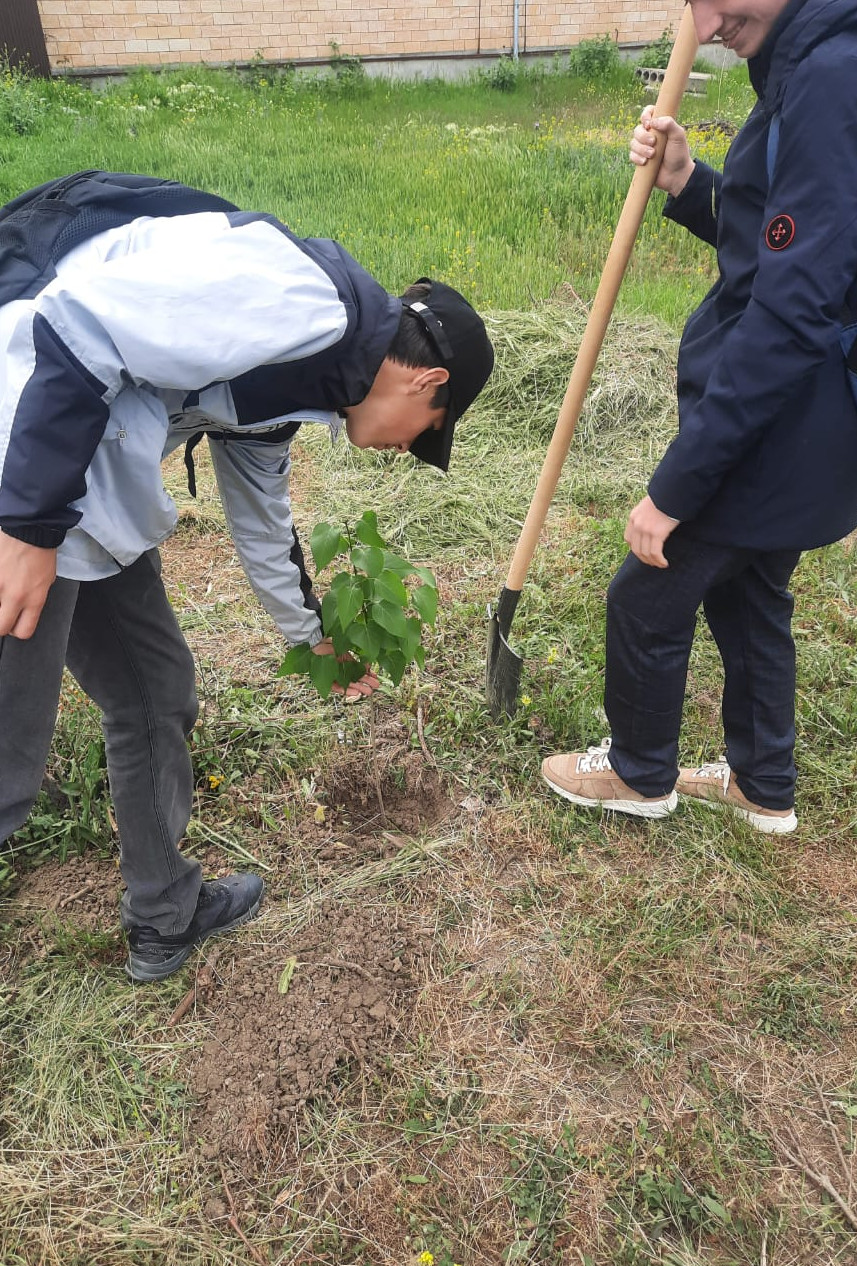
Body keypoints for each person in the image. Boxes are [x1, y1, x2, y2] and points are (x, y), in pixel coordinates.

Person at [0, 171, 495, 980]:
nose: (407, 448)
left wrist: (315, 639)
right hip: (23, 458)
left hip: (84, 485)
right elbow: (77, 323)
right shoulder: (300, 299)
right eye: (426, 432)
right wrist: (25, 524)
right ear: (426, 380)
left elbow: (264, 525)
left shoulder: (305, 385)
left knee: (154, 692)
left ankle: (165, 915)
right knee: (6, 764)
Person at [541, 0, 857, 836]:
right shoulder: (814, 62)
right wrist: (690, 182)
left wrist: (676, 488)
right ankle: (763, 783)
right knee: (749, 595)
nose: (704, 21)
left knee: (646, 592)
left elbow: (792, 312)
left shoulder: (836, 79)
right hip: (810, 417)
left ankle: (637, 771)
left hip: (783, 420)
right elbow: (782, 242)